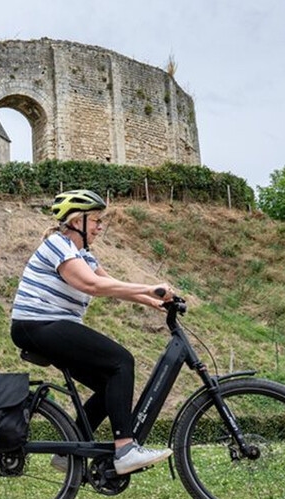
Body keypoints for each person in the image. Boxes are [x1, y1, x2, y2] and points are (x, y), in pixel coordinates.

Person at [10, 189, 175, 475]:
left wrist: (150, 299)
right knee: (121, 361)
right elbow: (92, 286)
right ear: (76, 221)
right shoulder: (57, 244)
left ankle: (67, 451)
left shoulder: (82, 254)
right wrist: (148, 288)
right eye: (96, 220)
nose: (100, 227)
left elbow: (109, 282)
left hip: (53, 326)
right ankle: (125, 448)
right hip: (37, 324)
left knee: (108, 382)